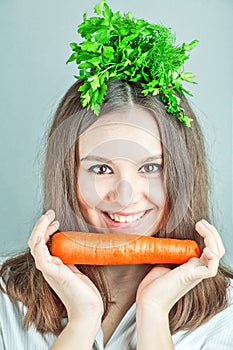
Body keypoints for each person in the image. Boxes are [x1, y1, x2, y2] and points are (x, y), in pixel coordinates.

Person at [1, 2, 233, 350]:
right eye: (101, 168)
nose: (125, 196)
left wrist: (153, 313)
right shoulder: (6, 297)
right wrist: (82, 320)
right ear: (68, 177)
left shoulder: (225, 314)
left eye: (151, 167)